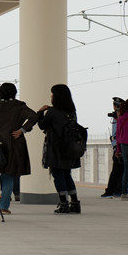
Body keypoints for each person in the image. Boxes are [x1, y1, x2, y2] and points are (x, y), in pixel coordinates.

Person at [0, 83, 37, 215]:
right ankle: (4, 207)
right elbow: (34, 116)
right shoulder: (19, 106)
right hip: (13, 144)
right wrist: (22, 130)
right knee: (8, 175)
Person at [38, 84, 83, 214]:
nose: (51, 96)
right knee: (67, 175)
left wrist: (40, 113)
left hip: (56, 148)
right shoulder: (72, 111)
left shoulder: (52, 112)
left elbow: (42, 126)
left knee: (58, 176)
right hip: (69, 148)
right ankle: (75, 203)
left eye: (52, 94)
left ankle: (64, 203)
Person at [101, 97, 125, 198]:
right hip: (117, 146)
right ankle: (115, 190)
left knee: (118, 170)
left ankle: (113, 190)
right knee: (118, 170)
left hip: (119, 146)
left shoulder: (122, 117)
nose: (115, 108)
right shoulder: (117, 117)